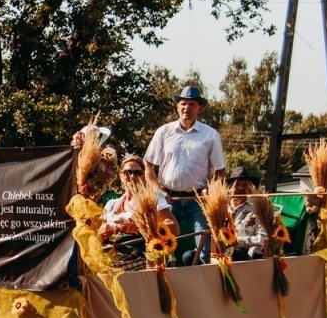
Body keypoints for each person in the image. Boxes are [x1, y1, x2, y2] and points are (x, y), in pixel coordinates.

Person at [143, 85, 226, 264]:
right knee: (160, 245)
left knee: (205, 243)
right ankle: (161, 277)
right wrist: (158, 191)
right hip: (167, 198)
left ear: (199, 108)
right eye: (183, 103)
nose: (187, 108)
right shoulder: (164, 132)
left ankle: (203, 276)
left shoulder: (211, 135)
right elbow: (148, 165)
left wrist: (210, 191)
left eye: (192, 104)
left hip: (197, 200)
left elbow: (220, 171)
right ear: (177, 106)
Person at [100, 155, 177, 269]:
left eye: (138, 173)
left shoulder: (153, 198)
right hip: (112, 250)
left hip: (140, 252)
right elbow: (100, 232)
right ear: (121, 176)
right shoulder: (111, 204)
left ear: (144, 176)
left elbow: (173, 227)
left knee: (109, 267)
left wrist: (142, 226)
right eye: (127, 172)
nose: (132, 176)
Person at [228, 170, 269, 259]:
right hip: (219, 251)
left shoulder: (257, 209)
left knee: (230, 253)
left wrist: (238, 241)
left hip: (244, 254)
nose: (241, 188)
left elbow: (263, 239)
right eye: (237, 184)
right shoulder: (220, 209)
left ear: (249, 188)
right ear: (230, 187)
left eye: (244, 185)